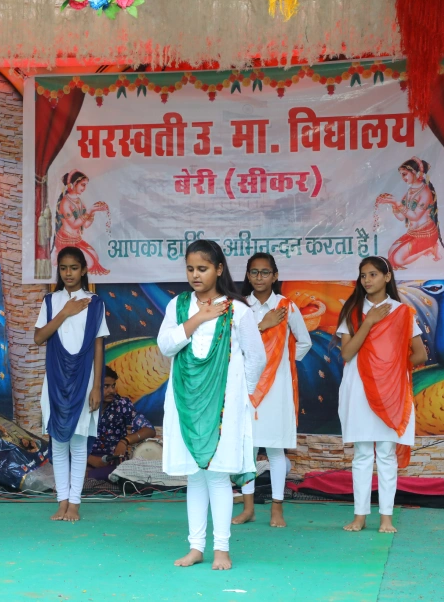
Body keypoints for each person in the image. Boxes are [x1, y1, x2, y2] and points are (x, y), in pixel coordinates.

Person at [157, 239, 267, 571]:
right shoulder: (178, 305)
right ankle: (196, 547)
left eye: (202, 268)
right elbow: (165, 346)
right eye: (190, 268)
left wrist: (242, 396)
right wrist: (198, 318)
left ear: (219, 269)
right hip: (185, 404)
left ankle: (221, 549)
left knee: (217, 477)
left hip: (224, 406)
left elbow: (256, 358)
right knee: (194, 477)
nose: (195, 275)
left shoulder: (238, 310)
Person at [336, 256, 427, 534]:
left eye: (373, 274)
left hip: (391, 391)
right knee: (363, 453)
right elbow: (347, 353)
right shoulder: (352, 311)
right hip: (359, 388)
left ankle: (386, 517)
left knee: (387, 453)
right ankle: (360, 516)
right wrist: (370, 322)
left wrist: (391, 366)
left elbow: (420, 354)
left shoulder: (403, 312)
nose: (367, 280)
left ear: (387, 277)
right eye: (363, 275)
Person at [233, 253, 312, 528]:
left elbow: (304, 342)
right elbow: (233, 344)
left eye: (265, 272)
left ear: (275, 276)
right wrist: (262, 325)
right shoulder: (240, 307)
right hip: (248, 386)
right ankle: (248, 508)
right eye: (254, 272)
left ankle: (277, 508)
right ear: (248, 275)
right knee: (248, 450)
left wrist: (283, 364)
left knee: (276, 450)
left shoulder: (286, 307)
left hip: (277, 388)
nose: (259, 277)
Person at [34, 246, 109, 522]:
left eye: (74, 268)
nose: (68, 273)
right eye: (64, 268)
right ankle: (61, 501)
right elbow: (39, 337)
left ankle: (75, 503)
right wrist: (65, 312)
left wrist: (97, 387)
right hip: (55, 381)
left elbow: (99, 346)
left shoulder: (95, 303)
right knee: (58, 442)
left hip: (84, 380)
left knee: (78, 444)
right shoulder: (51, 301)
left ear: (84, 270)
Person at [375, 157, 444, 270]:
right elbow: (401, 217)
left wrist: (397, 203)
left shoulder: (425, 192)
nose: (403, 178)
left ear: (414, 172)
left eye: (405, 174)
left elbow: (415, 217)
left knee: (397, 260)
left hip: (426, 234)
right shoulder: (410, 192)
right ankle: (428, 249)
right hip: (412, 233)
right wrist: (393, 204)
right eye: (401, 175)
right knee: (390, 255)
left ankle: (430, 248)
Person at [87, 367, 157, 472]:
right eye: (106, 386)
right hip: (82, 460)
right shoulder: (80, 408)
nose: (112, 391)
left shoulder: (121, 404)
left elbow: (149, 430)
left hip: (112, 462)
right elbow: (67, 440)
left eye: (113, 386)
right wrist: (90, 459)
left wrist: (125, 441)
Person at [52, 170, 110, 275]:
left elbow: (85, 225)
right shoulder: (65, 202)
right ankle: (58, 258)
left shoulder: (79, 201)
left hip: (77, 240)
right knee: (89, 264)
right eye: (82, 185)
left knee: (95, 258)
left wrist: (93, 212)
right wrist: (90, 211)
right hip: (65, 240)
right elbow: (74, 225)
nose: (84, 188)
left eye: (86, 185)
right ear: (74, 184)